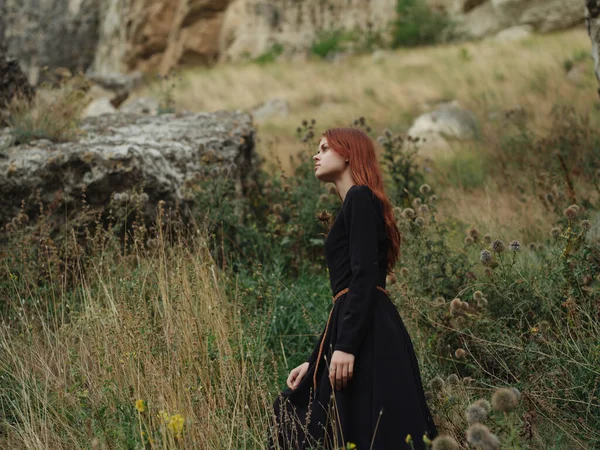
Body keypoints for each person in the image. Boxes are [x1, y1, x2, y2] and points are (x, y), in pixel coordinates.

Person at [269, 127, 438, 450]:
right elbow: (345, 296)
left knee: (364, 426)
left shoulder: (360, 197)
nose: (315, 155)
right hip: (361, 324)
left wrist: (345, 346)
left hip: (369, 332)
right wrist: (314, 360)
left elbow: (363, 278)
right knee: (338, 421)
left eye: (324, 148)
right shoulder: (355, 204)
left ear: (348, 154)